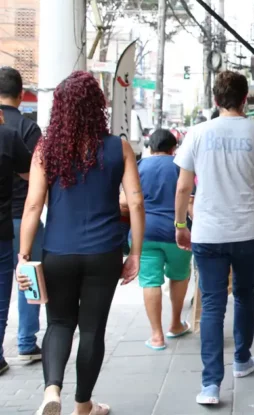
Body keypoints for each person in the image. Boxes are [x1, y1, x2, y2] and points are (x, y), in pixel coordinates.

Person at [16, 71, 145, 415]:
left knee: (58, 323)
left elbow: (33, 205)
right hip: (104, 254)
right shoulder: (119, 148)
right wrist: (135, 252)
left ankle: (51, 391)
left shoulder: (46, 149)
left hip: (57, 251)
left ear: (59, 108)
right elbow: (135, 203)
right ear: (97, 107)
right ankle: (83, 405)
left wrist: (23, 255)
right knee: (92, 330)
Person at [173, 70, 254, 405]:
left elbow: (183, 186)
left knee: (213, 304)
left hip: (208, 232)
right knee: (246, 294)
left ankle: (210, 385)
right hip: (249, 231)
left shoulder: (198, 133)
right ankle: (242, 360)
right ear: (245, 98)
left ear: (216, 100)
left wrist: (179, 226)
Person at [127, 129, 192, 351]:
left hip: (144, 232)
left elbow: (125, 201)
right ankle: (175, 324)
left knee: (150, 281)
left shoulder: (138, 167)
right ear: (173, 148)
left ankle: (156, 336)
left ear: (150, 147)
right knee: (180, 275)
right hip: (177, 232)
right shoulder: (180, 166)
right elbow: (190, 199)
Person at [0, 66, 43, 363]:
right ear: (20, 93)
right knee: (29, 276)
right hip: (23, 216)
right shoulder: (29, 128)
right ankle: (27, 342)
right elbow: (37, 177)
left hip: (5, 220)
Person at [0, 106, 32, 376]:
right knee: (5, 293)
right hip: (8, 223)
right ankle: (18, 347)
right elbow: (31, 174)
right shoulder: (9, 135)